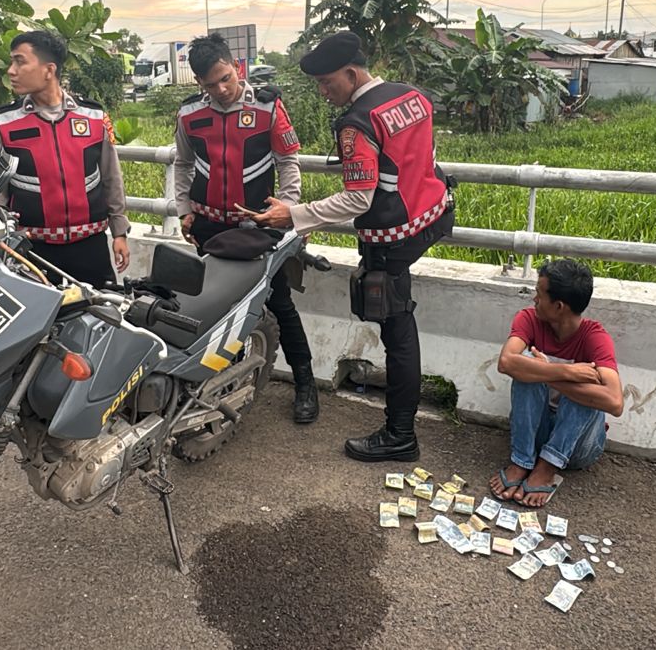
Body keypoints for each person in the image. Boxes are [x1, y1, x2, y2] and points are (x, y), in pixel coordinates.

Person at [254, 31, 453, 462]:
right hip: (434, 214)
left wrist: (294, 214)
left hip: (392, 237)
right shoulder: (413, 96)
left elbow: (358, 198)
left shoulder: (356, 122)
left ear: (351, 72)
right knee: (401, 329)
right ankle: (401, 429)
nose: (324, 93)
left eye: (328, 83)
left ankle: (401, 435)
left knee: (398, 333)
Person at [172, 34, 317, 424]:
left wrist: (288, 210)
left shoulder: (267, 106)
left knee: (281, 304)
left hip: (257, 227)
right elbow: (183, 165)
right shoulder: (189, 114)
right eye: (209, 84)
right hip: (207, 228)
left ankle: (305, 382)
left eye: (224, 78)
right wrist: (184, 209)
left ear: (236, 67)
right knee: (213, 306)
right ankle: (216, 383)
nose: (220, 90)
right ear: (198, 83)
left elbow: (288, 161)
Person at [0, 30, 129, 287]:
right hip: (32, 251)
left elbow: (111, 177)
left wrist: (119, 232)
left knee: (100, 320)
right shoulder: (2, 122)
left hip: (91, 248)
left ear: (48, 70)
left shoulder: (93, 116)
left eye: (20, 61)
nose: (11, 70)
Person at [489, 259, 623, 508]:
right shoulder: (528, 319)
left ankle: (547, 466)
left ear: (559, 306)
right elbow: (506, 362)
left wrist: (548, 372)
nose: (534, 300)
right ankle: (521, 461)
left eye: (539, 295)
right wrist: (565, 372)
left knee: (590, 387)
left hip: (578, 447)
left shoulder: (595, 337)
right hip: (534, 436)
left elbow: (614, 402)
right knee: (526, 362)